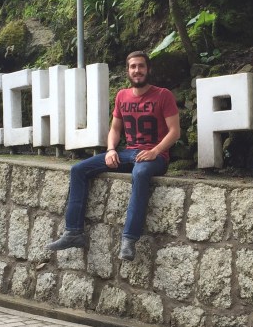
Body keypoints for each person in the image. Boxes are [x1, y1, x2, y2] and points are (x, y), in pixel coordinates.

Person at [46, 51, 180, 261]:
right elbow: (115, 129)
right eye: (133, 66)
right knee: (78, 169)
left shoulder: (163, 95)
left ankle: (129, 239)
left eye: (141, 66)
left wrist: (155, 151)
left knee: (140, 174)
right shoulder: (122, 96)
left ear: (148, 69)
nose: (137, 70)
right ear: (127, 71)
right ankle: (73, 232)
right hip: (128, 153)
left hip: (156, 157)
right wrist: (110, 150)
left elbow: (175, 132)